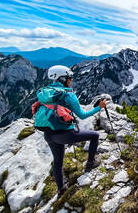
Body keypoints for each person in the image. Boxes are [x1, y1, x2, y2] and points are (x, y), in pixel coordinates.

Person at [34, 65, 106, 197]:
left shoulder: (45, 92)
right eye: (70, 77)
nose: (71, 79)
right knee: (95, 136)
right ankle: (90, 163)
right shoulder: (68, 95)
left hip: (48, 134)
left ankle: (61, 190)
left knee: (58, 162)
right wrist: (99, 107)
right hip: (65, 134)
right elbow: (83, 115)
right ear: (63, 78)